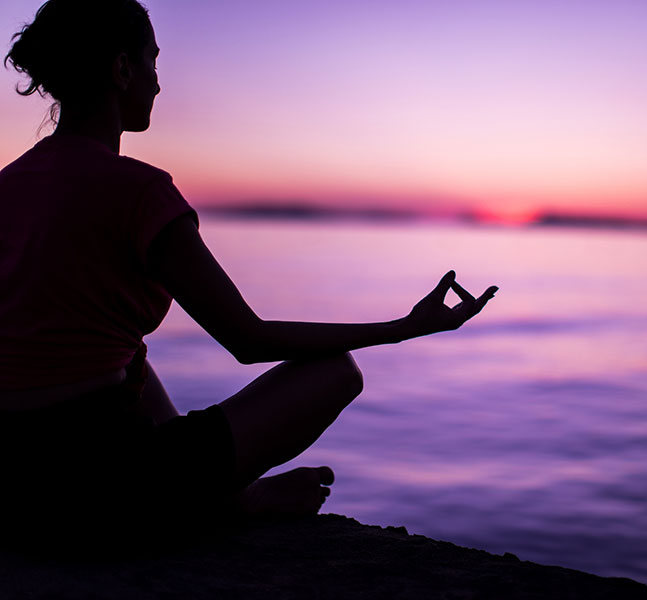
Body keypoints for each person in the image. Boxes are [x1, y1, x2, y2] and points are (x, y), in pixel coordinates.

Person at [0, 0, 497, 548]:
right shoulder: (139, 192)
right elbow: (247, 338)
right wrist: (404, 326)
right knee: (334, 372)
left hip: (13, 477)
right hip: (100, 489)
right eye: (153, 62)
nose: (159, 85)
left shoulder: (8, 185)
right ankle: (229, 501)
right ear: (122, 70)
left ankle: (221, 495)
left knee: (128, 354)